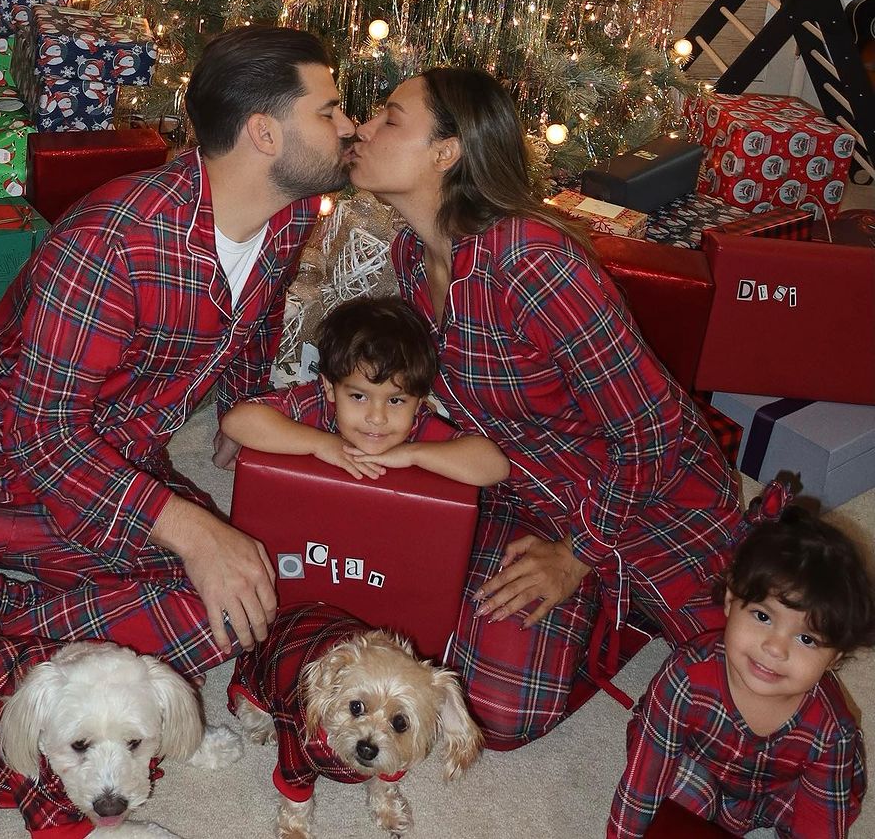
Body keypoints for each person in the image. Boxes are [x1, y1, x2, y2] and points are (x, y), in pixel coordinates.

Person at [0, 27, 355, 675]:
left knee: (235, 608)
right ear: (264, 133)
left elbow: (258, 319)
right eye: (328, 111)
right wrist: (191, 528)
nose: (348, 124)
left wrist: (243, 407)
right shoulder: (113, 240)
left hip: (116, 466)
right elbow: (43, 434)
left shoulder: (288, 217)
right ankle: (17, 629)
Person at [348, 67, 742, 748]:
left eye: (389, 117)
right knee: (492, 711)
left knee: (752, 680)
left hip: (648, 497)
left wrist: (578, 555)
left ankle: (621, 598)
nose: (363, 127)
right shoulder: (410, 254)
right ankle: (606, 613)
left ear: (446, 152)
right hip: (525, 493)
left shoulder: (532, 262)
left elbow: (653, 429)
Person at [608, 498, 875, 837]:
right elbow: (643, 784)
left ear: (834, 659)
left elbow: (818, 829)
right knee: (666, 794)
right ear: (731, 600)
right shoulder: (685, 677)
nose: (775, 648)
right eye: (763, 616)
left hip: (778, 791)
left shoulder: (831, 731)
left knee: (838, 801)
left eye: (807, 639)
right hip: (698, 767)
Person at [221, 294, 509, 487]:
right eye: (359, 396)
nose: (377, 417)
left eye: (396, 400)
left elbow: (494, 466)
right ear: (330, 388)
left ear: (420, 401)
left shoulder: (415, 426)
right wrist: (320, 444)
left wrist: (412, 454)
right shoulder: (320, 402)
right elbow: (238, 421)